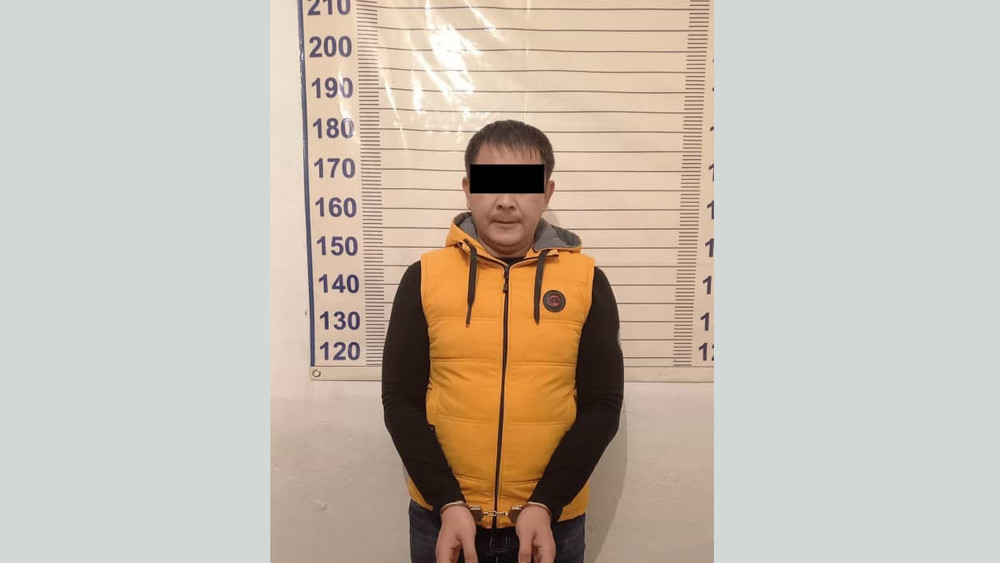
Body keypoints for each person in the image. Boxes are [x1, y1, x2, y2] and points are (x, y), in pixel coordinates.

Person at [382, 120, 624, 563]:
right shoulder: (423, 279)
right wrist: (447, 502)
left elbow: (602, 405)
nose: (507, 201)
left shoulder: (588, 283)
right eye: (491, 183)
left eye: (524, 186)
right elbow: (400, 400)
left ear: (547, 193)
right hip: (443, 521)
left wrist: (546, 504)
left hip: (552, 523)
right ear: (468, 189)